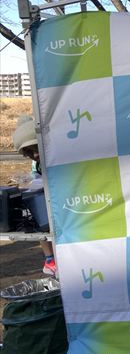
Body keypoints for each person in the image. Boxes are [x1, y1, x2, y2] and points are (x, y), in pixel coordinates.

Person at [12, 115, 57, 277]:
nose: (34, 155)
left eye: (35, 149)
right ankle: (50, 260)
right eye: (29, 153)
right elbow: (37, 178)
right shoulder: (37, 163)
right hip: (45, 200)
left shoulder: (55, 155)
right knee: (38, 221)